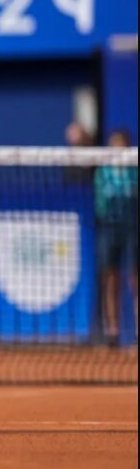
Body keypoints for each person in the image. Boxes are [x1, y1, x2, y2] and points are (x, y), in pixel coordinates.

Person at [94, 130, 138, 346]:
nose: (116, 150)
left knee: (135, 279)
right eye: (113, 145)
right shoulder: (103, 172)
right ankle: (113, 332)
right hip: (110, 229)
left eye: (120, 145)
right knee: (110, 279)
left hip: (134, 228)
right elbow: (99, 205)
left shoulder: (135, 172)